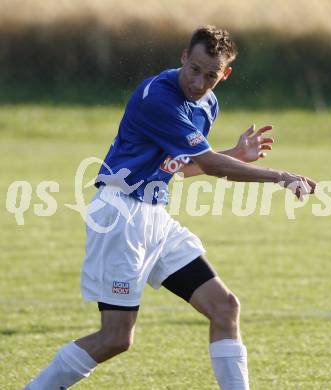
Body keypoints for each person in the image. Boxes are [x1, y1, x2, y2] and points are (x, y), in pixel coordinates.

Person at [24, 25, 315, 390]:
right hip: (120, 215)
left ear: (225, 74)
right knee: (116, 338)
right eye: (194, 69)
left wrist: (233, 156)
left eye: (210, 75)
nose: (198, 82)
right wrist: (279, 176)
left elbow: (185, 167)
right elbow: (208, 165)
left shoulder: (208, 104)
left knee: (225, 307)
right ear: (183, 57)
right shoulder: (158, 97)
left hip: (156, 218)